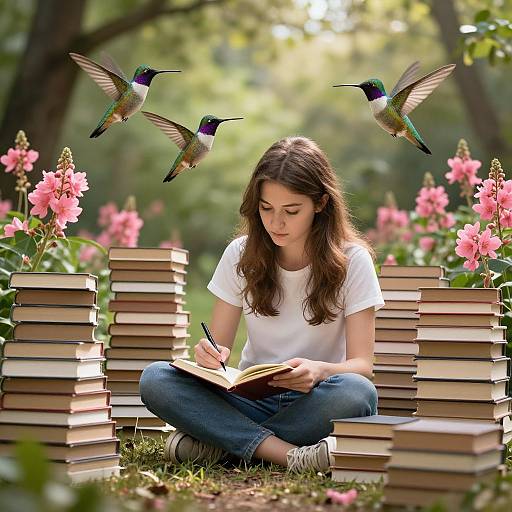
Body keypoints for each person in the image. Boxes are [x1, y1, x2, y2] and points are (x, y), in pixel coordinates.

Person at [140, 136, 384, 473]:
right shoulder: (240, 254)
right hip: (247, 398)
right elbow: (219, 352)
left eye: (291, 211)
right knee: (155, 379)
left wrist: (321, 370)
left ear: (321, 203)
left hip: (316, 396)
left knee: (358, 394)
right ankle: (289, 455)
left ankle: (220, 443)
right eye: (266, 208)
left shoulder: (353, 261)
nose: (276, 223)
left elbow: (362, 364)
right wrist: (209, 357)